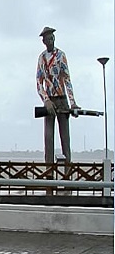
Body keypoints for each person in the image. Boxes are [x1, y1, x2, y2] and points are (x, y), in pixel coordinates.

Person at [36, 26, 79, 164]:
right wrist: (46, 100)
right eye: (47, 39)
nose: (50, 40)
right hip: (49, 102)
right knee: (48, 138)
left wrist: (72, 103)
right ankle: (49, 172)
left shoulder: (61, 56)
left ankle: (67, 171)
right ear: (43, 41)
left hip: (62, 99)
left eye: (51, 38)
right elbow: (38, 82)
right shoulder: (42, 58)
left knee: (65, 138)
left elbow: (67, 79)